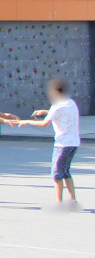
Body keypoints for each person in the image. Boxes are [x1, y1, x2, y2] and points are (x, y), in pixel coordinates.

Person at [24, 77, 81, 206]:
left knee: (56, 174)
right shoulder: (70, 103)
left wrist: (26, 122)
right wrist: (45, 112)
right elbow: (60, 114)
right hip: (73, 143)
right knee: (65, 171)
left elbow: (45, 124)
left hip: (62, 144)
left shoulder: (57, 106)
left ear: (56, 92)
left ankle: (59, 203)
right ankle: (73, 200)